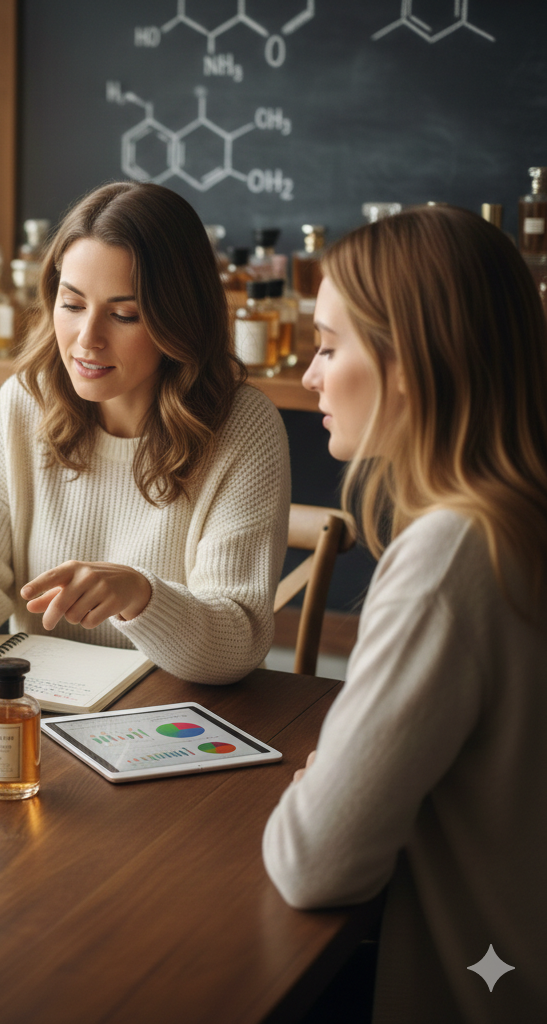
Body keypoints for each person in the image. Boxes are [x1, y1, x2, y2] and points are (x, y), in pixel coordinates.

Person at [263, 206, 547, 1021]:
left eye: (327, 345)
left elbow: (314, 859)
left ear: (406, 366)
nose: (311, 375)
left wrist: (328, 780)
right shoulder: (520, 516)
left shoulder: (451, 555)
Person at [0, 181, 290, 684]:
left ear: (179, 319)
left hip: (176, 715)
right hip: (39, 711)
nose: (88, 339)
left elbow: (237, 642)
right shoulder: (25, 403)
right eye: (72, 305)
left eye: (124, 314)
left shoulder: (245, 429)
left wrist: (143, 596)